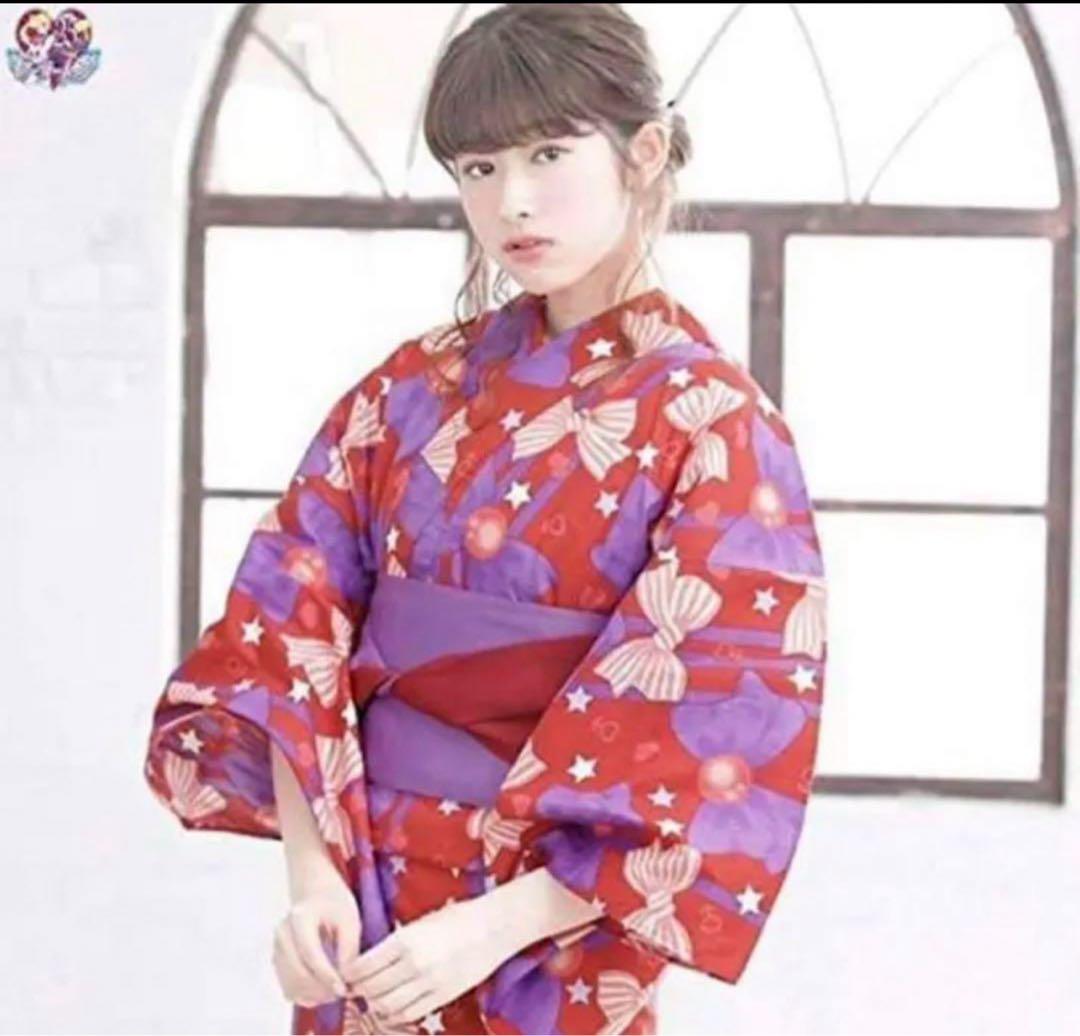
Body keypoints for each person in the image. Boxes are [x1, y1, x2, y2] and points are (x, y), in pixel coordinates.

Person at [141, 4, 828, 1034]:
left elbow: (715, 731)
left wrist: (491, 927)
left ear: (643, 152)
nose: (513, 200)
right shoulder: (409, 390)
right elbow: (285, 627)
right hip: (369, 902)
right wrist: (314, 881)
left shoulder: (716, 421)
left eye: (549, 153)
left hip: (554, 926)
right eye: (478, 166)